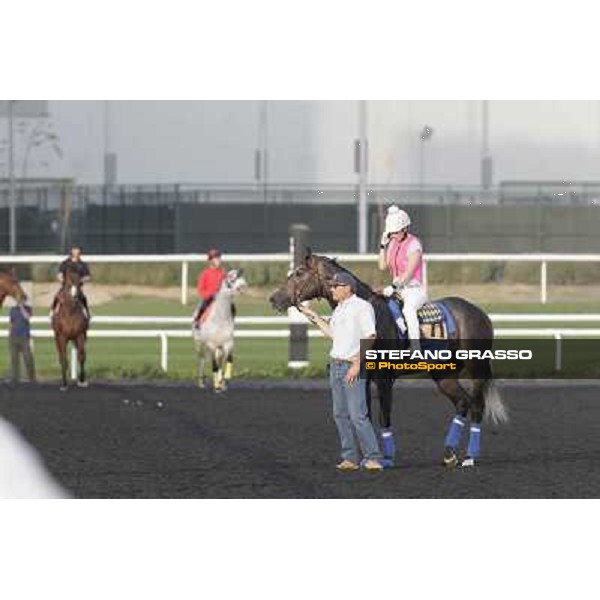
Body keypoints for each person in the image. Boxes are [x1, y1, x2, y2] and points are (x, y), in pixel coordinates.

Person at [298, 272, 383, 472]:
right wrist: (314, 316)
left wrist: (356, 364)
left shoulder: (362, 307)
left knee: (357, 415)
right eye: (332, 286)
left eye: (336, 286)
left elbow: (371, 336)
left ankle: (373, 457)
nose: (332, 289)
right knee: (340, 414)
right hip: (336, 365)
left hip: (352, 366)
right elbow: (333, 334)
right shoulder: (340, 309)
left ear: (347, 288)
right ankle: (350, 458)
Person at [379, 205, 427, 351]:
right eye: (390, 233)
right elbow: (382, 266)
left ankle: (415, 349)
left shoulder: (414, 245)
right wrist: (383, 246)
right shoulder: (392, 243)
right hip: (397, 289)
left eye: (395, 233)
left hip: (414, 289)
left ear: (405, 229)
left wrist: (393, 287)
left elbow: (408, 274)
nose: (392, 236)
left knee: (408, 310)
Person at [51, 245, 92, 321]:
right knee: (57, 296)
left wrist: (82, 280)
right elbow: (59, 274)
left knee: (83, 298)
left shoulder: (82, 264)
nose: (77, 252)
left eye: (78, 250)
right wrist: (61, 278)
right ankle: (52, 311)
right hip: (66, 286)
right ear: (72, 251)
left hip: (77, 287)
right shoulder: (65, 263)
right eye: (75, 250)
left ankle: (87, 313)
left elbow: (88, 276)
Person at [192, 249, 227, 327]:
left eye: (219, 258)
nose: (219, 260)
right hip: (209, 299)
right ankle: (198, 322)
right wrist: (209, 295)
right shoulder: (205, 274)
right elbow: (200, 290)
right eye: (217, 258)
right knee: (203, 306)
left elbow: (227, 286)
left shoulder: (223, 273)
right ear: (211, 261)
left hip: (221, 299)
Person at [8, 298, 36, 384]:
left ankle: (32, 378)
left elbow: (27, 317)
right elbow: (11, 322)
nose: (19, 301)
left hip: (24, 337)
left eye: (21, 300)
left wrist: (21, 307)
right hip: (13, 337)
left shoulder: (28, 308)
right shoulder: (12, 310)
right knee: (14, 359)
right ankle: (15, 378)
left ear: (24, 300)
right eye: (18, 299)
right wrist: (9, 334)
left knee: (28, 358)